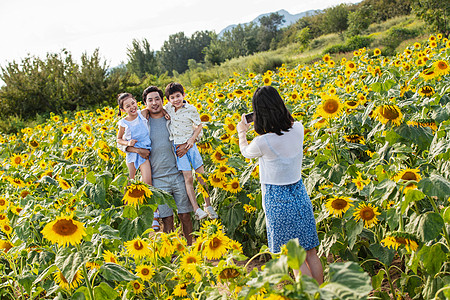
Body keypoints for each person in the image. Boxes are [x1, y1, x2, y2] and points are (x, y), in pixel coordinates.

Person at [236, 86, 323, 284]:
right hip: (299, 193)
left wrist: (242, 132)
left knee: (295, 259)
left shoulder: (262, 142)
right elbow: (287, 126)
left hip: (278, 199)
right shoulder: (299, 128)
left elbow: (245, 152)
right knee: (311, 253)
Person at [117, 86, 194, 245]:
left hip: (178, 174)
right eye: (150, 100)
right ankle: (172, 252)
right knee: (167, 220)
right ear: (145, 103)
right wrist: (137, 149)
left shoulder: (171, 118)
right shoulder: (142, 121)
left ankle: (190, 249)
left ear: (163, 100)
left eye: (157, 99)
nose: (154, 103)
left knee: (185, 216)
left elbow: (190, 129)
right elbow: (121, 143)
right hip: (157, 179)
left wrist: (189, 143)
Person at [163, 82, 218, 220]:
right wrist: (165, 114)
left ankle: (208, 205)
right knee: (188, 178)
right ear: (168, 100)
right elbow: (158, 109)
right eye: (172, 97)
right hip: (178, 148)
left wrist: (192, 139)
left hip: (191, 147)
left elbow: (199, 126)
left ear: (183, 95)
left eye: (178, 96)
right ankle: (196, 209)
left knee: (201, 176)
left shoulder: (191, 109)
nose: (176, 100)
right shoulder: (168, 108)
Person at [116, 92, 159, 230]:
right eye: (128, 106)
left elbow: (157, 107)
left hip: (145, 152)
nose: (132, 107)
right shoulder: (123, 123)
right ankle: (129, 211)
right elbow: (118, 139)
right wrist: (128, 142)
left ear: (136, 102)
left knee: (148, 182)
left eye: (133, 103)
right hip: (132, 154)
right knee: (130, 182)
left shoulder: (142, 113)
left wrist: (166, 113)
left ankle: (154, 214)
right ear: (123, 110)